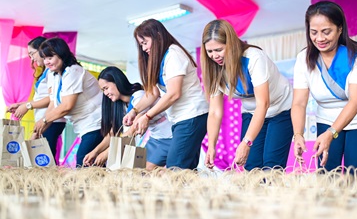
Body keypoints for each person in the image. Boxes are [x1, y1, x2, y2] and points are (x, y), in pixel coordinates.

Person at [292, 1, 357, 174]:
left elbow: (356, 101)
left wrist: (331, 133)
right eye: (313, 32)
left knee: (354, 172)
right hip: (327, 117)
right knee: (326, 171)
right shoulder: (304, 58)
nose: (320, 38)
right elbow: (299, 102)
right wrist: (298, 135)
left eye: (326, 32)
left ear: (340, 29)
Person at [200, 19, 293, 170]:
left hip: (280, 109)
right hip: (252, 112)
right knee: (252, 166)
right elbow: (215, 112)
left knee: (271, 166)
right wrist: (211, 146)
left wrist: (247, 142)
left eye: (219, 50)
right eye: (209, 51)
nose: (214, 56)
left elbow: (263, 104)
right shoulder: (214, 69)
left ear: (230, 45)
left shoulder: (254, 58)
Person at [123, 19, 208, 170]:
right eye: (141, 45)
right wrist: (134, 111)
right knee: (186, 169)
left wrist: (147, 116)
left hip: (191, 116)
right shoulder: (162, 58)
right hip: (182, 119)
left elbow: (174, 93)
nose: (143, 48)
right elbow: (153, 93)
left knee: (176, 169)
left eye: (145, 42)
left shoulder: (173, 54)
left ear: (157, 36)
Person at [83, 66, 173, 170]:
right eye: (103, 90)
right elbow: (113, 133)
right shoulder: (122, 106)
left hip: (169, 135)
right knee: (141, 172)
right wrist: (95, 152)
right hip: (156, 138)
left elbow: (133, 130)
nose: (105, 93)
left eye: (106, 88)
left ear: (117, 82)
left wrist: (106, 153)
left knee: (146, 171)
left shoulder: (139, 96)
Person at [32, 37, 103, 167]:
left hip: (96, 123)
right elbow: (53, 104)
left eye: (50, 57)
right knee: (91, 164)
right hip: (84, 126)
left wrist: (43, 121)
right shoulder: (54, 75)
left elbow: (66, 106)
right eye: (45, 58)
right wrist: (37, 133)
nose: (47, 62)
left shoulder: (73, 71)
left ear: (61, 54)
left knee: (83, 161)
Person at [7, 36, 66, 163]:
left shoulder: (52, 72)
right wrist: (21, 105)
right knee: (41, 159)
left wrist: (27, 106)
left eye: (32, 54)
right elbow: (41, 98)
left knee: (45, 160)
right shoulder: (47, 72)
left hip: (51, 120)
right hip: (45, 119)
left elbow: (52, 98)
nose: (31, 58)